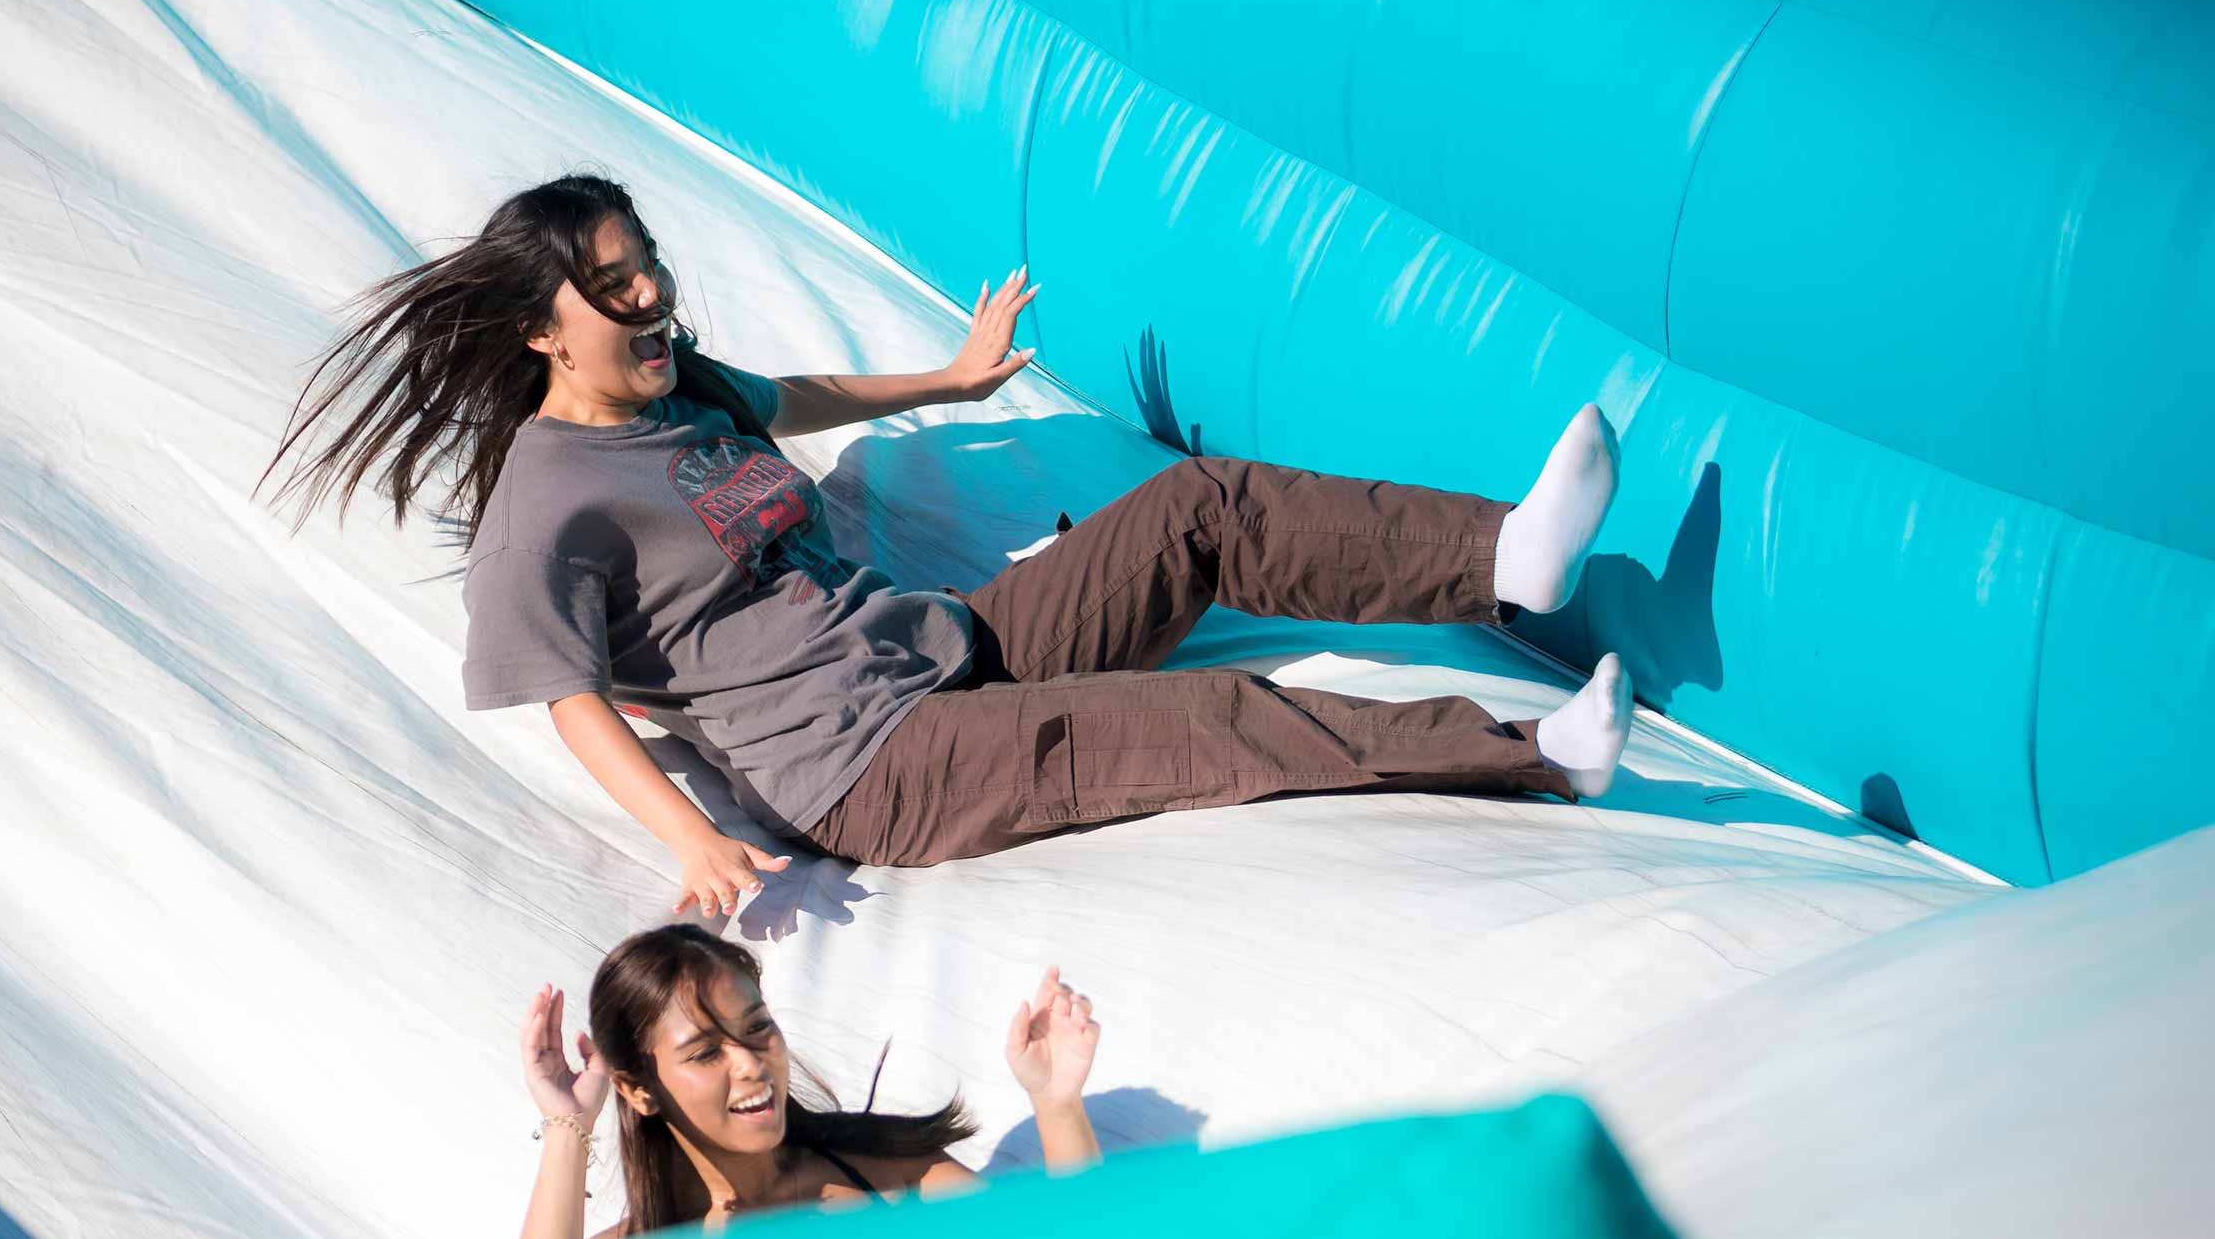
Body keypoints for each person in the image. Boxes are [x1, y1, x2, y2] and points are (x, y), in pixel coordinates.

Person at [266, 174, 1634, 919]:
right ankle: (1535, 758)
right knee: (1203, 716)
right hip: (872, 769)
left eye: (652, 263)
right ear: (541, 327)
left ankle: (1507, 560)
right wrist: (689, 839)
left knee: (1198, 507)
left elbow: (793, 401)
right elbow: (567, 697)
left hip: (944, 642)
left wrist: (952, 382)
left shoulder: (681, 384)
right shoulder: (545, 502)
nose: (653, 296)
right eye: (615, 284)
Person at [511, 925, 1100, 1239]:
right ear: (640, 1091)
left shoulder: (888, 1174)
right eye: (704, 1053)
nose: (749, 1064)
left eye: (757, 1028)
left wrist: (1056, 1103)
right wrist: (567, 1123)